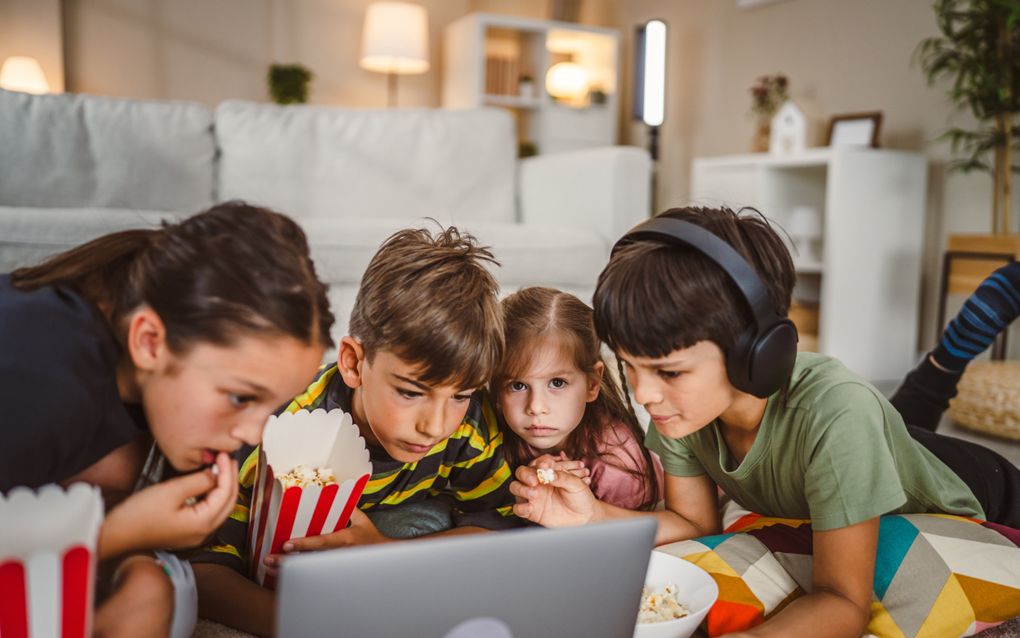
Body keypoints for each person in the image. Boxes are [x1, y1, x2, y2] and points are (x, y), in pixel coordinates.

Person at [510, 207, 1020, 638]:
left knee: (885, 421)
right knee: (897, 419)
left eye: (668, 370)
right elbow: (695, 524)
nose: (643, 394)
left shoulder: (837, 412)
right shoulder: (683, 412)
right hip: (847, 448)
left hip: (986, 487)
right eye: (629, 365)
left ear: (759, 355)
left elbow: (843, 604)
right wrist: (591, 516)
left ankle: (944, 361)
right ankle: (941, 366)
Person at [0, 202, 334, 637]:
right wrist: (117, 533)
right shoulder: (45, 384)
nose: (252, 433)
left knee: (148, 585)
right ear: (149, 341)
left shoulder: (121, 357)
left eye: (269, 407)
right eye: (239, 396)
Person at [189, 226, 531, 637]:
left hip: (393, 532)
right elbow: (203, 572)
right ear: (353, 363)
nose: (436, 426)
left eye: (461, 395)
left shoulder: (469, 427)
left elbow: (504, 531)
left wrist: (385, 552)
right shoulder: (274, 431)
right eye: (410, 392)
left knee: (427, 523)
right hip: (281, 575)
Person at [493, 286, 662, 510]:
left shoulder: (618, 461)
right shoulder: (487, 434)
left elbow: (626, 535)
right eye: (518, 385)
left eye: (557, 383)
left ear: (592, 385)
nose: (536, 407)